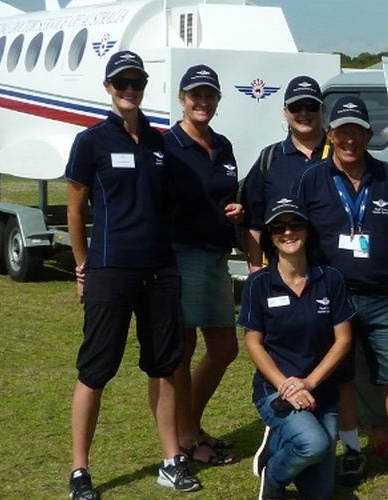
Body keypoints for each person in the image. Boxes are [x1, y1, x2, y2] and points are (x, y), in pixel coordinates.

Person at [64, 50, 199, 499]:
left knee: (164, 366)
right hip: (110, 270)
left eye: (136, 82)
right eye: (121, 82)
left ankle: (170, 461)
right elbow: (75, 210)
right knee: (96, 370)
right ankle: (80, 471)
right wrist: (82, 264)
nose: (129, 90)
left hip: (160, 271)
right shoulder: (91, 141)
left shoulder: (160, 143)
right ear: (108, 87)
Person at [291, 96, 388, 489]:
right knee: (344, 380)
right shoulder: (312, 179)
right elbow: (293, 235)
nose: (349, 139)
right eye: (342, 132)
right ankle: (352, 451)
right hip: (333, 300)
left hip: (379, 295)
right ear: (330, 135)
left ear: (369, 135)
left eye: (357, 131)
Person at [243, 201, 355, 500]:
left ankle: (281, 444)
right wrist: (286, 387)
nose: (288, 232)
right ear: (270, 237)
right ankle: (273, 475)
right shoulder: (258, 283)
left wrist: (309, 383)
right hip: (276, 391)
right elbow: (253, 343)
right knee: (314, 445)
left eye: (295, 224)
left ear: (308, 231)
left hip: (321, 391)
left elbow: (343, 340)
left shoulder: (330, 278)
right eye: (278, 227)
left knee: (319, 493)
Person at [161, 63, 241, 466]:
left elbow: (225, 193)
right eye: (196, 95)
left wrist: (237, 210)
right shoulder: (167, 144)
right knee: (184, 347)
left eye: (210, 95)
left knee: (225, 349)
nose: (203, 102)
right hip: (182, 255)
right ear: (182, 98)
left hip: (217, 257)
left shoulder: (222, 145)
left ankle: (188, 424)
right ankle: (188, 436)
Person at [240, 75, 330, 275]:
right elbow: (253, 223)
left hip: (332, 272)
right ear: (285, 112)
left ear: (323, 110)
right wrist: (256, 271)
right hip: (282, 275)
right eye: (296, 107)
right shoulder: (269, 158)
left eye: (311, 106)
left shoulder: (340, 156)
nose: (304, 113)